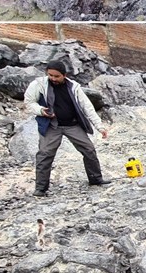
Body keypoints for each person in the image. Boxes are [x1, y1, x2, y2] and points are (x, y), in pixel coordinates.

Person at [22, 61, 111, 197]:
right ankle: (41, 188)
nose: (53, 78)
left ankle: (95, 179)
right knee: (45, 154)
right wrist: (40, 110)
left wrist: (100, 127)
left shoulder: (74, 87)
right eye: (50, 75)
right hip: (51, 125)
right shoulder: (38, 84)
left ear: (64, 75)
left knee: (89, 149)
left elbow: (87, 107)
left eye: (56, 76)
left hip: (72, 125)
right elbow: (28, 102)